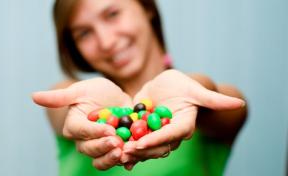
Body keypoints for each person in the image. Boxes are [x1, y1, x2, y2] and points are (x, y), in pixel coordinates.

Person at [32, 0, 248, 175]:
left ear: (146, 7)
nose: (106, 42)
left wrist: (194, 89)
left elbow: (226, 102)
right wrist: (81, 109)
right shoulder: (76, 98)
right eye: (84, 33)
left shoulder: (205, 105)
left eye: (112, 14)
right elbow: (60, 110)